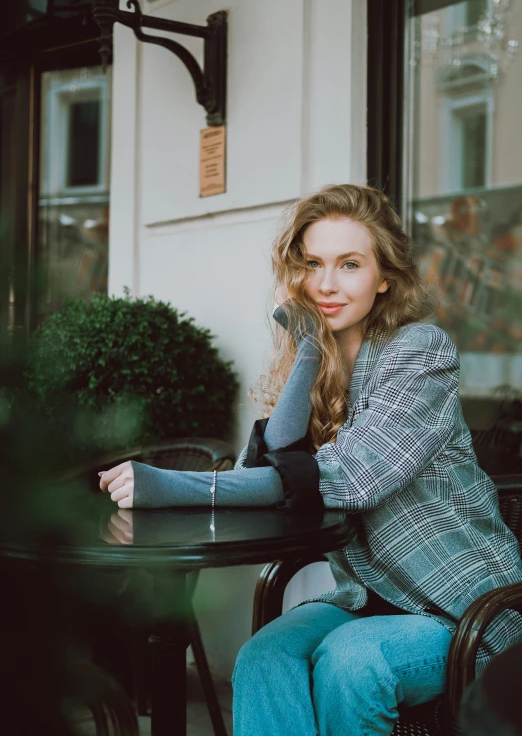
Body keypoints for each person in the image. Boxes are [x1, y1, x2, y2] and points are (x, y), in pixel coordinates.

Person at [99, 184, 522, 736]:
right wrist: (306, 349)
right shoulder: (323, 367)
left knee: (350, 662)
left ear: (384, 276)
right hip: (366, 597)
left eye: (350, 264)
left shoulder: (421, 351)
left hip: (463, 609)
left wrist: (169, 485)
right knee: (262, 661)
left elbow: (352, 479)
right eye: (312, 264)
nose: (326, 284)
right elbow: (269, 464)